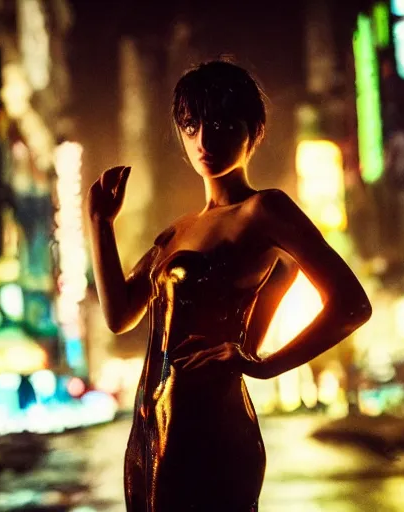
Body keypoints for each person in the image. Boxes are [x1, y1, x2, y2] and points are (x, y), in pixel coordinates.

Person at [86, 60, 372, 511]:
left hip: (212, 428)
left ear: (252, 129)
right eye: (191, 124)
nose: (204, 139)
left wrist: (262, 364)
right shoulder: (176, 232)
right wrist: (100, 224)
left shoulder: (264, 210)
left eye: (220, 123)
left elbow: (351, 304)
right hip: (149, 428)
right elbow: (120, 315)